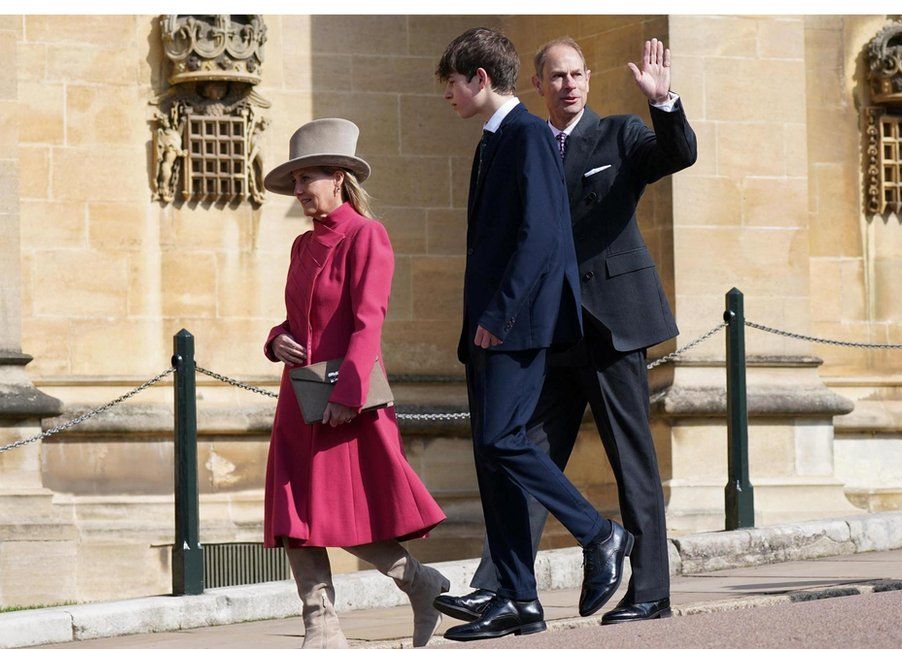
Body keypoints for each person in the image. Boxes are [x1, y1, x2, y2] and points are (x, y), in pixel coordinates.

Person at [436, 37, 698, 626]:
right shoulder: (526, 138)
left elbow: (677, 155)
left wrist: (665, 103)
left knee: (632, 464)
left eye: (578, 74)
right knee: (524, 454)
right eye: (557, 76)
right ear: (538, 85)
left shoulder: (621, 135)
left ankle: (650, 590)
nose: (569, 85)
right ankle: (504, 586)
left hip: (610, 326)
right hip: (550, 329)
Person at [261, 118, 449, 648]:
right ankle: (320, 625)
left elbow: (370, 321)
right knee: (295, 513)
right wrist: (277, 340)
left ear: (338, 178)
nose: (299, 190)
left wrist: (348, 396)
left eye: (308, 179)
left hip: (348, 401)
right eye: (295, 181)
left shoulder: (368, 235)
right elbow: (297, 320)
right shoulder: (302, 246)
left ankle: (421, 584)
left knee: (350, 519)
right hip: (300, 398)